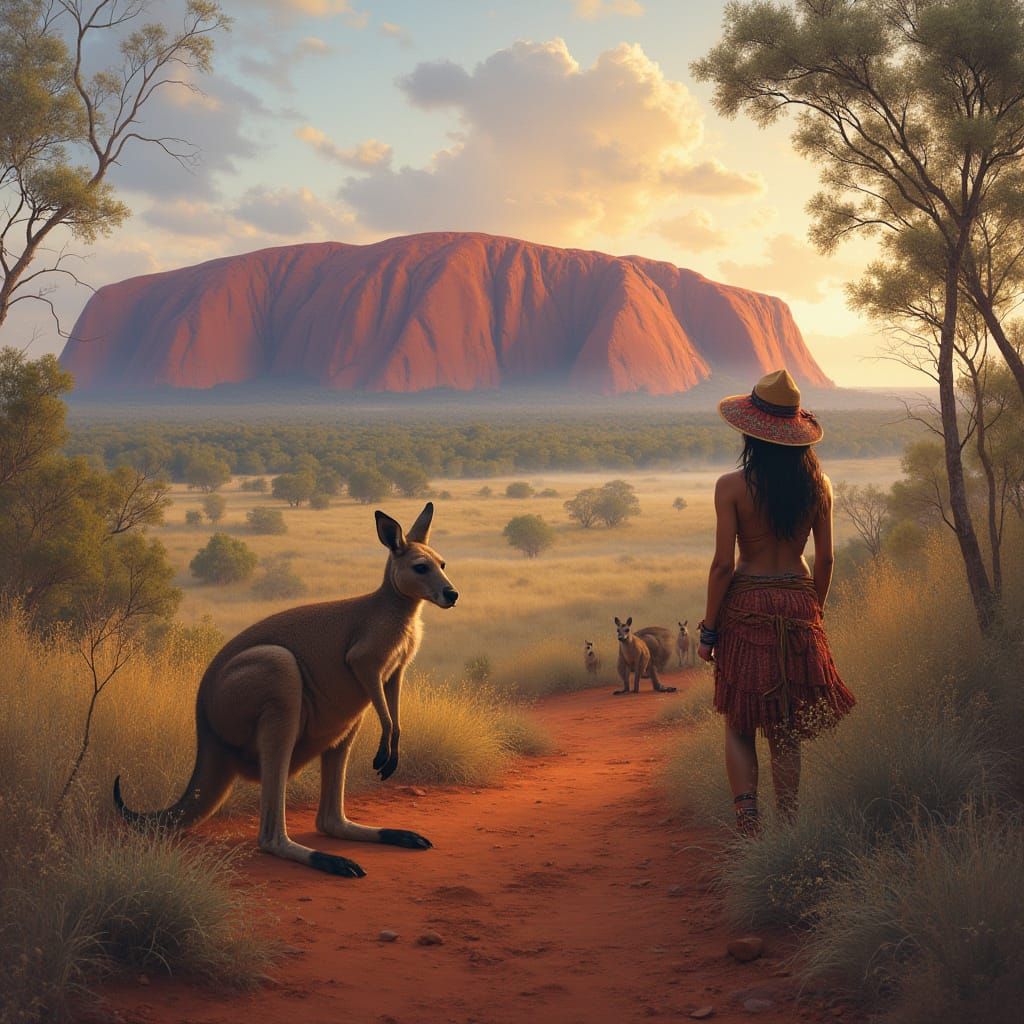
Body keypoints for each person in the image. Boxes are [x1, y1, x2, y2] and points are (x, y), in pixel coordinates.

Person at [697, 369, 855, 836]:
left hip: (746, 607)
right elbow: (824, 559)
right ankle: (787, 828)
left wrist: (709, 630)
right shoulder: (819, 486)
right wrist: (815, 613)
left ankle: (748, 822)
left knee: (741, 720)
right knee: (785, 729)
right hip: (799, 604)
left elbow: (723, 566)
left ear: (752, 432)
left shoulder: (730, 486)